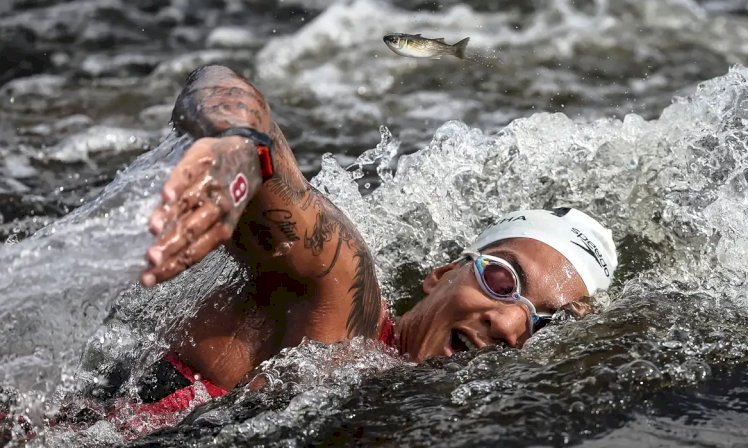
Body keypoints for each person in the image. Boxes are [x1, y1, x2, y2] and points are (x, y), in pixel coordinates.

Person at [134, 65, 618, 412]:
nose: (512, 324)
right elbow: (225, 85)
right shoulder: (339, 299)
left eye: (544, 324)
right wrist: (236, 142)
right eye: (502, 278)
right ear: (442, 274)